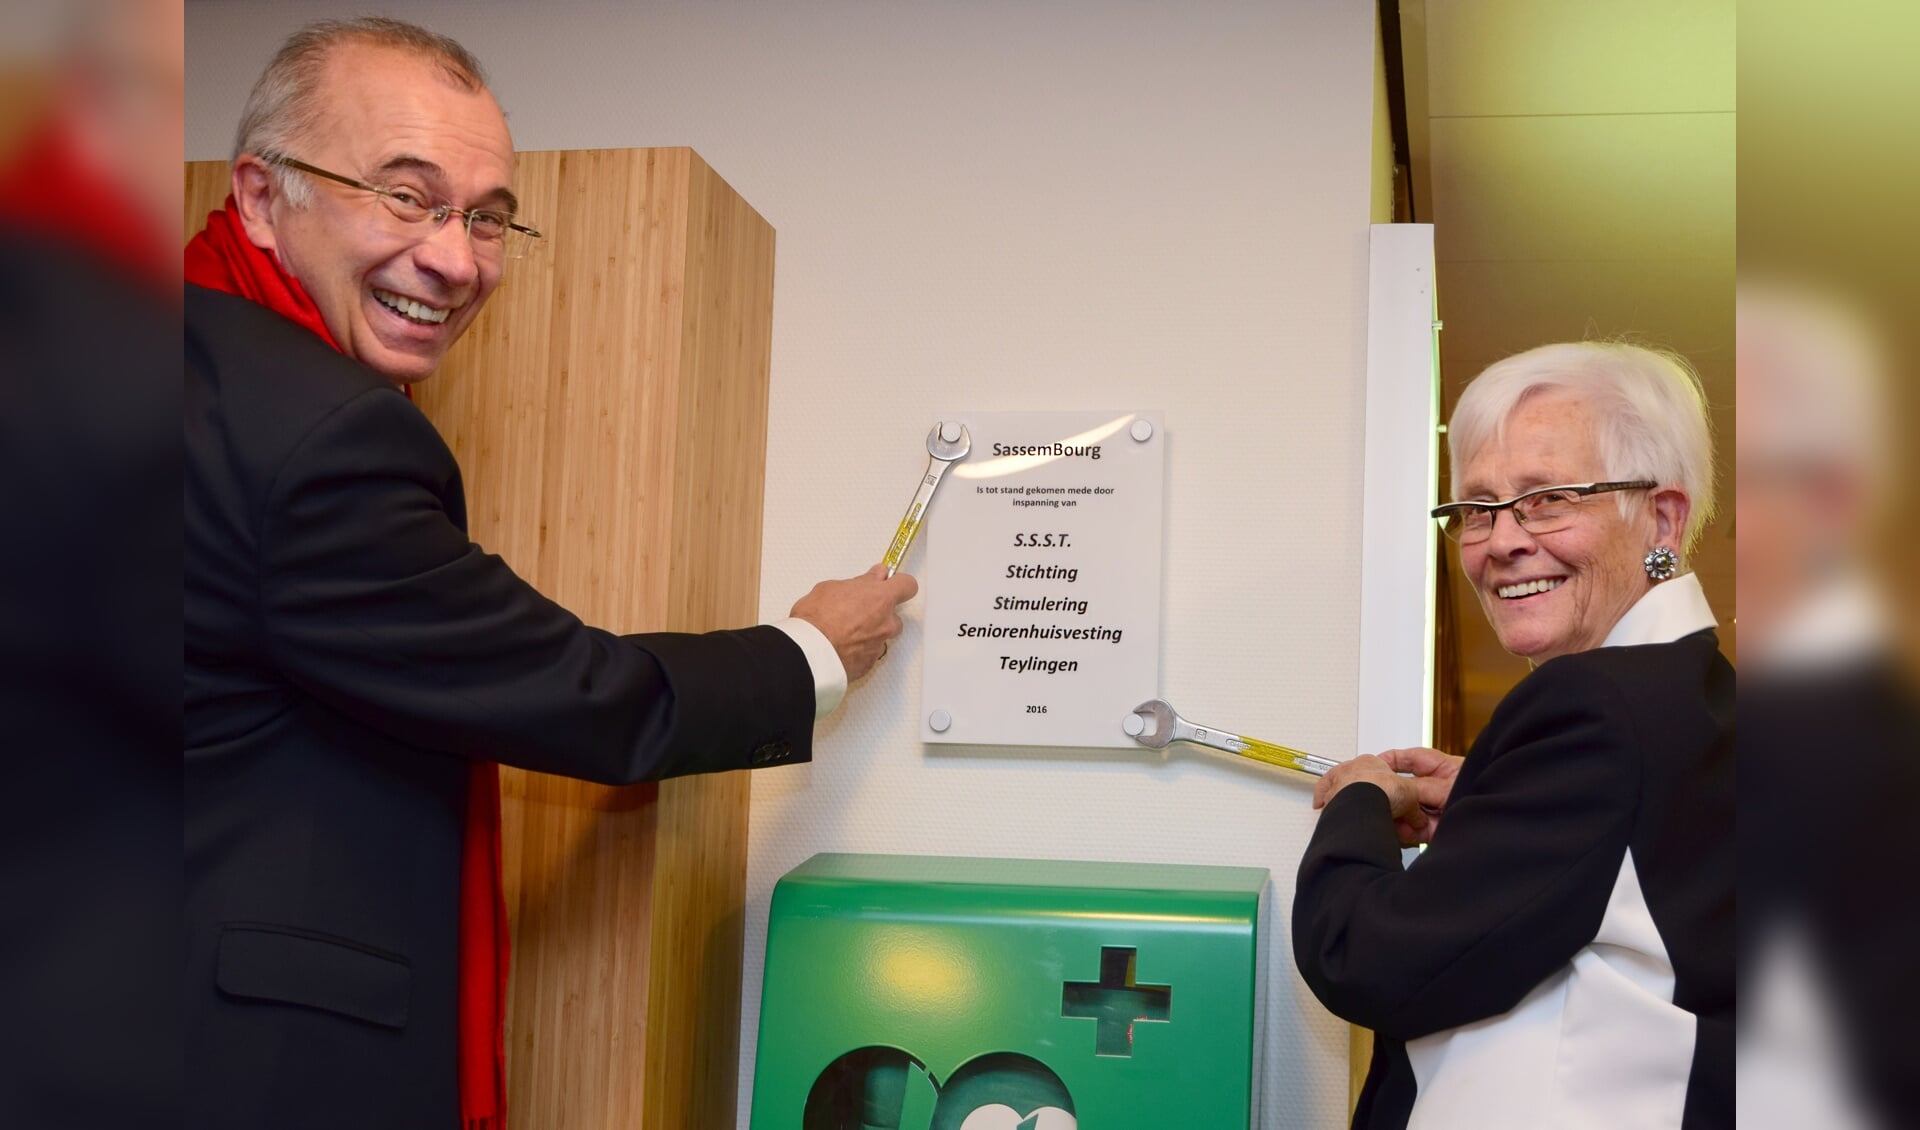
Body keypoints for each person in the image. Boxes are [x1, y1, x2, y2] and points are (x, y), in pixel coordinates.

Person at [183, 18, 916, 1129]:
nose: (457, 258)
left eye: (489, 217)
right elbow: (577, 692)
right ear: (258, 194)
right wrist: (812, 651)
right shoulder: (318, 436)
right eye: (405, 195)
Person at [1292, 342, 1733, 1129]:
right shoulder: (1701, 700)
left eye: (1548, 498)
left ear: (1662, 517)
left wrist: (1357, 800)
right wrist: (1495, 800)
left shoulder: (1593, 704)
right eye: (1477, 507)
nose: (1501, 541)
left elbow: (1371, 961)